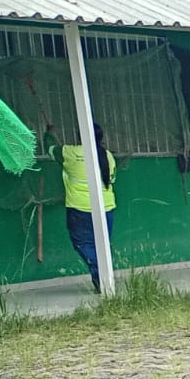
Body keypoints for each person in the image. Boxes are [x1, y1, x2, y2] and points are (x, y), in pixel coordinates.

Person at [46, 122, 117, 292]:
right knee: (102, 245)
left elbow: (50, 149)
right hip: (107, 207)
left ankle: (102, 277)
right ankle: (102, 280)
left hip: (80, 209)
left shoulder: (69, 152)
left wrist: (49, 133)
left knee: (83, 243)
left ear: (81, 136)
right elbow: (112, 179)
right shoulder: (107, 155)